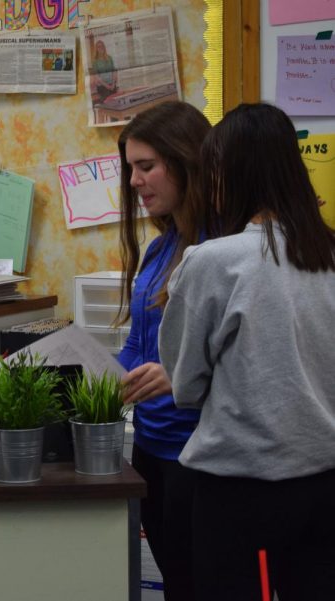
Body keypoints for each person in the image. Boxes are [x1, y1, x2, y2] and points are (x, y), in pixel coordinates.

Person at [159, 103, 335, 600]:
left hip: (245, 490)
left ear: (228, 175)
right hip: (325, 482)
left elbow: (184, 385)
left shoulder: (216, 261)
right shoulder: (329, 251)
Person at [115, 100, 211, 601]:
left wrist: (179, 372)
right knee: (177, 584)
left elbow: (244, 357)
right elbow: (138, 345)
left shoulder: (223, 249)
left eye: (146, 166)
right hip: (149, 451)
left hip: (198, 457)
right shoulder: (159, 248)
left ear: (186, 160)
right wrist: (85, 371)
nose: (134, 181)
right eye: (131, 168)